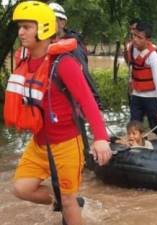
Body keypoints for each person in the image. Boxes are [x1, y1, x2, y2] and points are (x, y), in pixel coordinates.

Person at [4, 2, 112, 225]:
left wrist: (101, 138)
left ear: (43, 28)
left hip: (66, 144)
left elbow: (88, 102)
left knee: (68, 200)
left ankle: (68, 202)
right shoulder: (23, 60)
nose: (20, 32)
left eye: (26, 27)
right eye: (19, 27)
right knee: (20, 188)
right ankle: (63, 201)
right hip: (39, 143)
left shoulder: (64, 63)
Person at [127, 21, 157, 137]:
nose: (135, 40)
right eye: (134, 35)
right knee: (134, 127)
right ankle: (141, 148)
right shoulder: (131, 48)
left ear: (147, 40)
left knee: (155, 127)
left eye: (140, 37)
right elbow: (132, 67)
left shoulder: (153, 56)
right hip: (136, 96)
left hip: (151, 97)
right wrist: (130, 81)